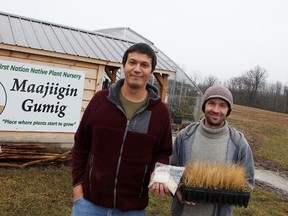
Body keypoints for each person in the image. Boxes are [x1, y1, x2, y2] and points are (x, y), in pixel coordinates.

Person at [71, 43, 172, 216]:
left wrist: (159, 173)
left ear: (151, 71)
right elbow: (81, 145)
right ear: (123, 66)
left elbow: (162, 152)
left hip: (133, 209)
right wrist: (77, 189)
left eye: (144, 65)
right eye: (132, 62)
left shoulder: (160, 111)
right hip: (89, 204)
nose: (137, 69)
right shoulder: (100, 101)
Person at [170, 85, 255, 216]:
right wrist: (176, 190)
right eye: (211, 103)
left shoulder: (239, 143)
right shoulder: (184, 136)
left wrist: (225, 192)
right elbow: (170, 170)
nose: (216, 110)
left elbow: (248, 182)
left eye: (222, 105)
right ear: (204, 106)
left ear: (228, 110)